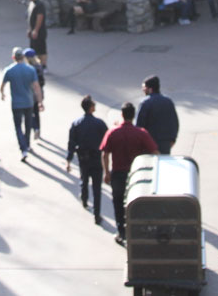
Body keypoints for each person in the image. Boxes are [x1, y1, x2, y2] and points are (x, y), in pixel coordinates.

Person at [101, 102, 159, 246]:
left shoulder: (113, 133)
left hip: (118, 174)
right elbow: (155, 152)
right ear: (133, 116)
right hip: (136, 175)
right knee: (137, 204)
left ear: (122, 115)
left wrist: (106, 172)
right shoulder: (141, 133)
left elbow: (105, 154)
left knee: (118, 203)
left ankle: (121, 232)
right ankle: (137, 231)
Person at [66, 95, 108, 226]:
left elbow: (71, 142)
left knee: (84, 179)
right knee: (97, 187)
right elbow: (107, 140)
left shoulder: (77, 123)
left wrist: (69, 159)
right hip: (97, 158)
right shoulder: (99, 124)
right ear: (91, 108)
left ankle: (84, 199)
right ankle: (97, 214)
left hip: (83, 157)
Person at [0, 47, 44, 162]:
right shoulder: (30, 70)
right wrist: (40, 102)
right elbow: (36, 87)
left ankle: (23, 148)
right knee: (28, 124)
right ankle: (27, 144)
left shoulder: (9, 70)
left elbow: (2, 85)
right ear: (23, 57)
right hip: (29, 102)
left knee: (18, 126)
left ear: (13, 57)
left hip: (16, 104)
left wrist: (2, 94)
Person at [135, 75, 179, 154]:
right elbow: (174, 123)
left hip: (148, 145)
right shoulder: (168, 102)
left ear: (150, 89)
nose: (143, 90)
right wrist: (172, 140)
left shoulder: (145, 103)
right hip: (165, 144)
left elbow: (139, 126)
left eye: (144, 88)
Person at [24, 48, 45, 140]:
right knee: (36, 112)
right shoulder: (39, 66)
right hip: (39, 93)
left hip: (30, 93)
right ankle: (38, 129)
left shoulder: (29, 68)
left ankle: (35, 127)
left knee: (29, 112)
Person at [26, 0, 48, 71]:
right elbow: (30, 18)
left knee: (41, 49)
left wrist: (36, 30)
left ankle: (44, 66)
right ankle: (35, 66)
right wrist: (29, 29)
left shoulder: (39, 4)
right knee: (33, 49)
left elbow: (40, 17)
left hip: (40, 31)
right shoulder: (31, 4)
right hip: (32, 31)